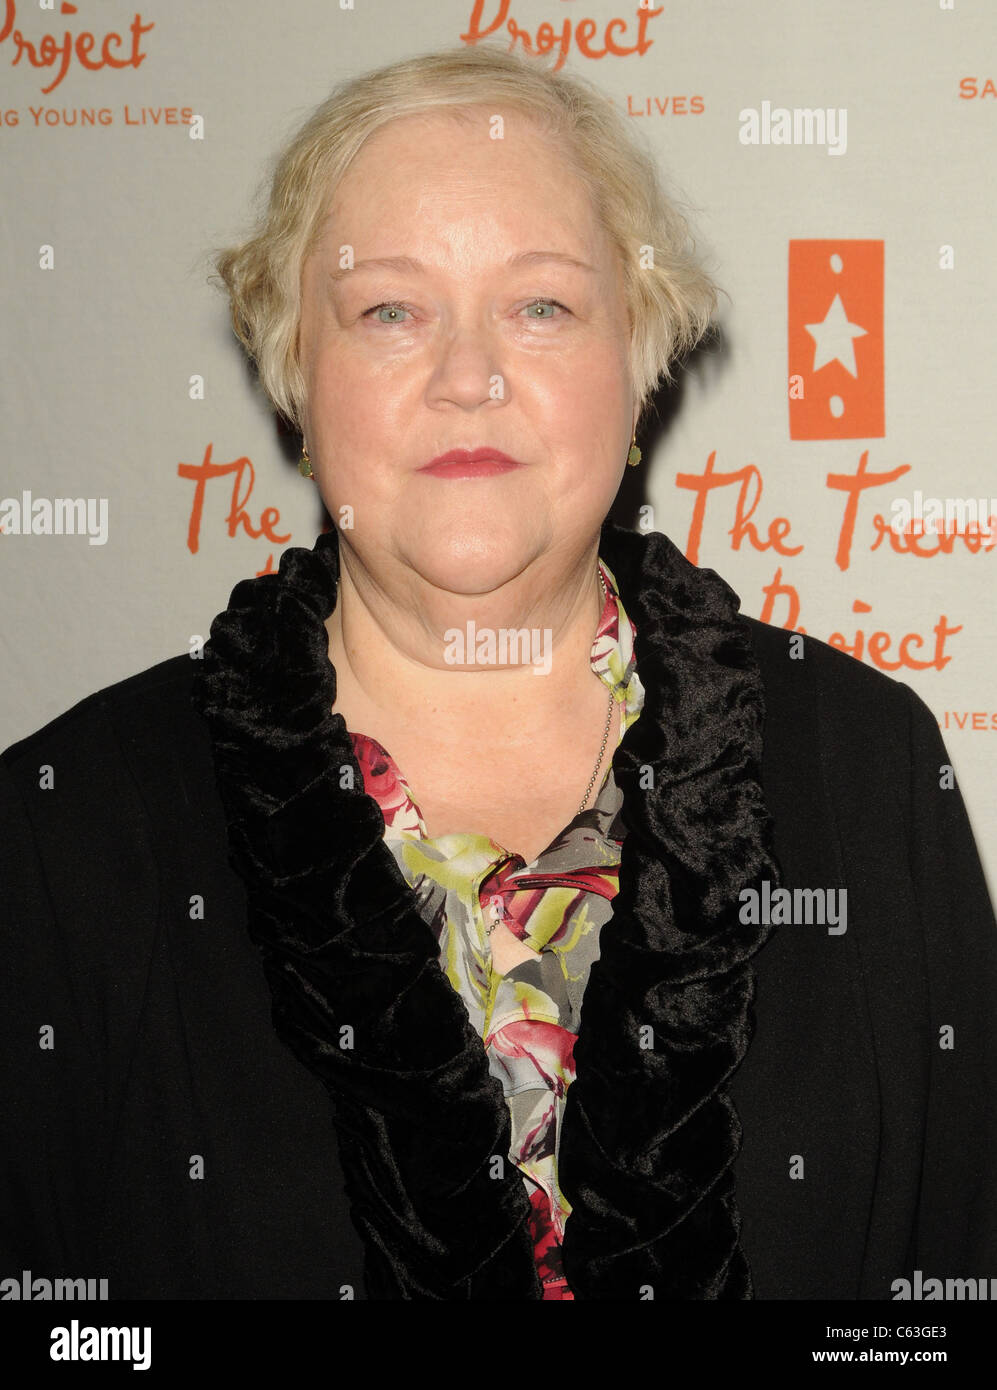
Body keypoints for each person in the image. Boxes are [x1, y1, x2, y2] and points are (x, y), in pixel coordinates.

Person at [2, 42, 996, 1303]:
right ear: (293, 372)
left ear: (638, 364)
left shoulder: (870, 770)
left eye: (540, 305)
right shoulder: (63, 823)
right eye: (389, 311)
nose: (467, 378)